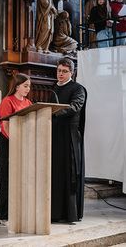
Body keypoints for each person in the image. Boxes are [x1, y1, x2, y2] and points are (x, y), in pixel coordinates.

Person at [50, 58, 87, 223]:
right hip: (54, 135)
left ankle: (70, 213)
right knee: (56, 174)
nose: (60, 74)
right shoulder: (54, 88)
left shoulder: (78, 88)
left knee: (69, 172)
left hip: (70, 137)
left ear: (72, 72)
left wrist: (54, 112)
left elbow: (75, 106)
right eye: (59, 70)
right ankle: (55, 212)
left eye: (64, 71)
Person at [0, 73, 32, 226]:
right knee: (7, 179)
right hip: (8, 143)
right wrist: (16, 142)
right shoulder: (7, 100)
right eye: (25, 86)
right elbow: (5, 125)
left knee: (21, 180)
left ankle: (18, 212)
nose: (28, 89)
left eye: (29, 86)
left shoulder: (29, 102)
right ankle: (3, 215)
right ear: (17, 86)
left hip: (23, 143)